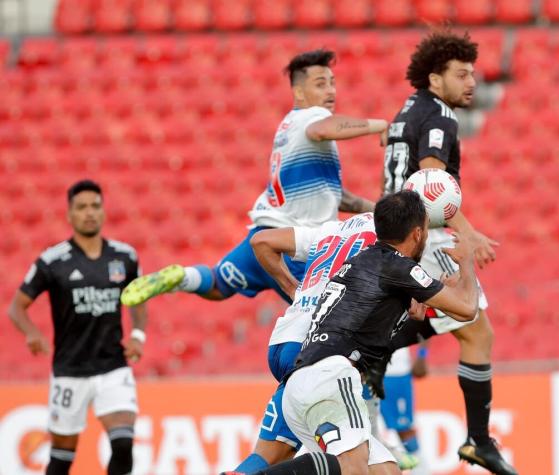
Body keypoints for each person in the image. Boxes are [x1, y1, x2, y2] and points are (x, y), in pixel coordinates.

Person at [226, 190, 480, 475]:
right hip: (331, 374)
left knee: (385, 471)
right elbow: (468, 309)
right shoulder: (399, 267)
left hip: (303, 375)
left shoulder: (362, 260)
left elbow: (371, 306)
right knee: (352, 469)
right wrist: (466, 260)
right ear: (419, 233)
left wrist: (414, 302)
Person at [120, 49, 387, 307]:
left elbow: (334, 196)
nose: (330, 91)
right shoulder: (312, 116)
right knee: (331, 318)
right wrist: (381, 125)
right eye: (320, 84)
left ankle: (181, 277)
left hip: (260, 239)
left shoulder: (287, 127)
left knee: (216, 284)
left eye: (332, 83)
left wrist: (377, 210)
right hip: (293, 246)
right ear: (298, 92)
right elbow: (321, 129)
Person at [381, 29, 516, 475]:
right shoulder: (438, 117)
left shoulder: (406, 111)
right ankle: (478, 440)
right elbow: (431, 183)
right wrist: (469, 232)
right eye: (462, 74)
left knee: (429, 320)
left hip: (399, 231)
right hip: (426, 233)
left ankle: (364, 355)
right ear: (435, 79)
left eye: (473, 74)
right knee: (477, 332)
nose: (472, 82)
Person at [7, 180, 148, 475]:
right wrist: (32, 333)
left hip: (113, 366)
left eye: (95, 206)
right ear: (69, 214)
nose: (89, 213)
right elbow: (16, 307)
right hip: (70, 370)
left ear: (104, 212)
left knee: (123, 443)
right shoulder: (52, 261)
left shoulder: (124, 257)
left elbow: (138, 297)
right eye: (81, 207)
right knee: (62, 458)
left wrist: (137, 335)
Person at [227, 212, 378, 473]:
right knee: (352, 461)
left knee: (271, 454)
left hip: (285, 339)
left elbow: (261, 241)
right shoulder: (390, 238)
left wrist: (291, 288)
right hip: (318, 345)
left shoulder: (329, 229)